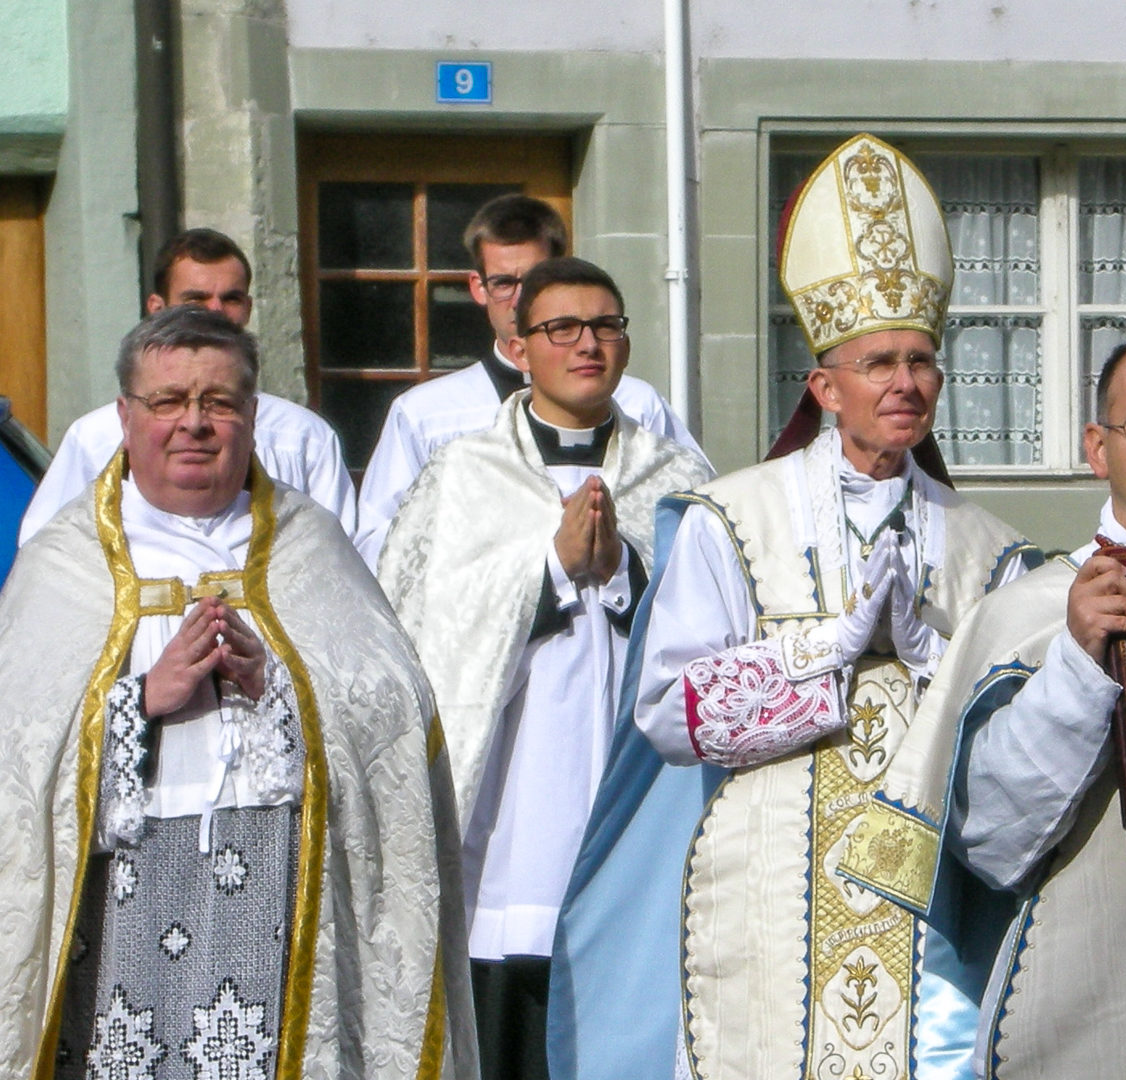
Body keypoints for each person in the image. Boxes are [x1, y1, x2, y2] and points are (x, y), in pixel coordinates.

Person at [549, 133, 1039, 1080]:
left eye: (923, 361)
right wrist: (826, 653)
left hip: (923, 910)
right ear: (825, 385)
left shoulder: (991, 547)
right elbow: (668, 711)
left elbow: (1014, 738)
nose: (906, 383)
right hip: (768, 900)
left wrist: (937, 664)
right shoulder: (733, 517)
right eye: (880, 362)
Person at [0, 306, 474, 1079]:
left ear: (252, 415)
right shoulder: (66, 563)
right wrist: (139, 698)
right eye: (168, 402)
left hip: (275, 874)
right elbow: (16, 736)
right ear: (125, 416)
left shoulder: (307, 543)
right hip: (116, 885)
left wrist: (280, 691)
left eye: (219, 402)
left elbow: (395, 709)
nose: (194, 424)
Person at [843, 331, 1126, 1078]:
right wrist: (1079, 665)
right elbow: (988, 840)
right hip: (1097, 1007)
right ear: (1097, 447)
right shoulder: (1030, 615)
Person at [378, 256, 711, 1079]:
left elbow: (718, 634)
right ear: (520, 348)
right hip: (509, 801)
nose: (588, 344)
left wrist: (630, 571)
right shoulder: (464, 475)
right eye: (563, 328)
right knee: (510, 1027)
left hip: (630, 781)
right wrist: (551, 571)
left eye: (607, 325)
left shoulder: (680, 480)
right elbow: (418, 620)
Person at [354, 194, 706, 566]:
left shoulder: (638, 404)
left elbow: (699, 527)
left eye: (538, 278)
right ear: (478, 287)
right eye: (505, 282)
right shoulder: (427, 414)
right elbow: (381, 548)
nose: (521, 299)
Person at [21, 228, 357, 541]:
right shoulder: (94, 439)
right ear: (156, 308)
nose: (215, 312)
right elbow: (50, 554)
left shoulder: (303, 437)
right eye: (196, 299)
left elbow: (340, 556)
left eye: (231, 298)